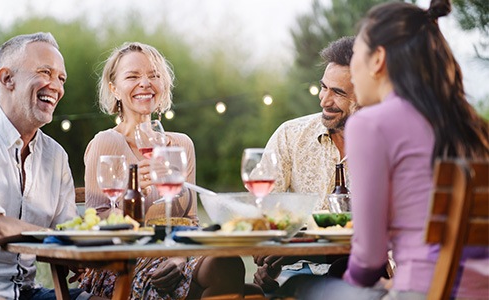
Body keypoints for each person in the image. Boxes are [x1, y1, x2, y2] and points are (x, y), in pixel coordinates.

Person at [277, 0, 489, 299]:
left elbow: (369, 257)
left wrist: (353, 283)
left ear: (377, 59)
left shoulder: (370, 124)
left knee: (299, 288)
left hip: (420, 291)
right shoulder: (472, 124)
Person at [79, 42, 252, 299]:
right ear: (114, 89)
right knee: (231, 280)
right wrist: (132, 197)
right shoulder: (107, 142)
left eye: (154, 75)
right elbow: (97, 221)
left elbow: (189, 222)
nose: (145, 83)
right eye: (133, 76)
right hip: (123, 261)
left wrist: (178, 255)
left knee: (227, 264)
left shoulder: (181, 145)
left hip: (176, 253)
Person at [0, 33, 100, 300]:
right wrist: (57, 238)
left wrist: (79, 257)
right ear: (7, 79)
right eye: (45, 72)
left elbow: (66, 232)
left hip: (30, 292)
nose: (56, 86)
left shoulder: (56, 156)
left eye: (61, 79)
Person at [253, 36, 358, 293]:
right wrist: (273, 253)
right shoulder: (291, 135)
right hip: (292, 270)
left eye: (338, 93)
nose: (324, 100)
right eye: (324, 87)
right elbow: (264, 213)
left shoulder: (387, 145)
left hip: (358, 274)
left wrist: (306, 244)